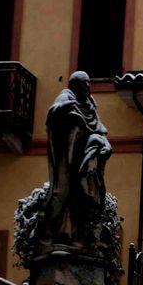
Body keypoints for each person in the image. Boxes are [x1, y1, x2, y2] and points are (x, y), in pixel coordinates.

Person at [43, 71, 112, 245]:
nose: (88, 87)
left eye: (89, 83)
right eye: (84, 83)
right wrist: (66, 109)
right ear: (75, 85)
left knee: (82, 196)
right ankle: (49, 233)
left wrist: (104, 146)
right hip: (66, 157)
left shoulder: (90, 106)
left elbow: (100, 131)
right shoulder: (66, 98)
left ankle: (74, 234)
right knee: (61, 192)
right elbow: (53, 114)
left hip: (82, 162)